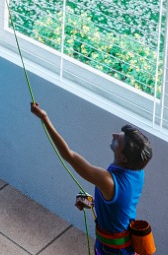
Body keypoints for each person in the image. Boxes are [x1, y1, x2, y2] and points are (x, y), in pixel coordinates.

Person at [30, 102, 151, 254]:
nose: (113, 135)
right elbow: (120, 205)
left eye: (118, 140)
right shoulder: (138, 171)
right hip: (124, 245)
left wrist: (44, 118)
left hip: (112, 251)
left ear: (123, 157)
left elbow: (69, 155)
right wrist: (94, 202)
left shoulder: (108, 181)